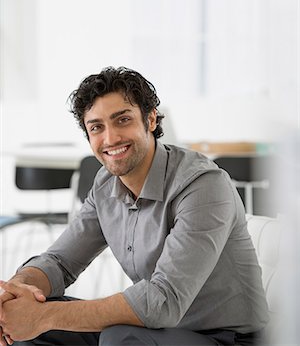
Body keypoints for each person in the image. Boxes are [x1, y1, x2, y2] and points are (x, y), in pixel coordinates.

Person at [0, 67, 269, 346]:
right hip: (154, 330)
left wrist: (44, 316)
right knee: (29, 328)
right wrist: (15, 297)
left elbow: (163, 300)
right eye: (96, 127)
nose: (111, 138)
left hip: (225, 338)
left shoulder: (202, 185)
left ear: (150, 119)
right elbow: (60, 262)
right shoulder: (105, 185)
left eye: (123, 120)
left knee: (116, 338)